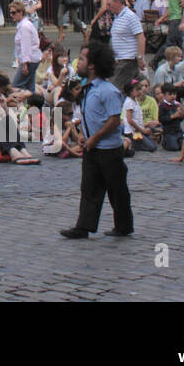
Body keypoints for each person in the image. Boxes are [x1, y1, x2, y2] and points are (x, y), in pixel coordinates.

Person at [60, 42, 133, 238]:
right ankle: (84, 226)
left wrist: (95, 137)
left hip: (109, 149)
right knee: (89, 188)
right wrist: (84, 135)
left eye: (82, 59)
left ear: (92, 65)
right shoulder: (87, 88)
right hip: (92, 147)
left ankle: (124, 226)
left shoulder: (108, 90)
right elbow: (88, 116)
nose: (79, 63)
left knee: (116, 189)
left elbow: (114, 120)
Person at [106, 0, 146, 92]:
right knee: (135, 87)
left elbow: (141, 37)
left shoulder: (130, 16)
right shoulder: (117, 17)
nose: (108, 7)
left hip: (127, 59)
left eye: (109, 4)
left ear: (118, 3)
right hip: (119, 59)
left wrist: (140, 57)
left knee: (115, 89)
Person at [11, 2, 42, 92]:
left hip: (30, 60)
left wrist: (25, 64)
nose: (12, 15)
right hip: (32, 59)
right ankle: (34, 103)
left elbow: (26, 46)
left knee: (16, 86)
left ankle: (25, 103)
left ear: (21, 12)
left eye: (14, 13)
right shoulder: (24, 25)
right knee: (29, 86)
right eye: (11, 13)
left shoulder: (24, 26)